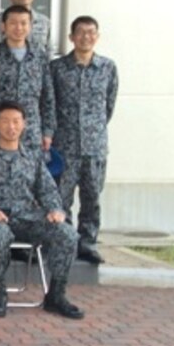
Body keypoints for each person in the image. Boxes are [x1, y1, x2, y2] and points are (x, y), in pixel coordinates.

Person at [0, 101, 84, 319]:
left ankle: (56, 295)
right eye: (5, 121)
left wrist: (55, 210)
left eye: (16, 121)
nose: (11, 127)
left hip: (28, 218)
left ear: (24, 124)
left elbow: (47, 190)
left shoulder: (32, 159)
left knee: (67, 234)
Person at [50, 15, 119, 265]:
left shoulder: (108, 68)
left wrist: (93, 130)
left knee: (92, 198)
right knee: (61, 198)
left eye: (91, 32)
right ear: (71, 37)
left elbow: (108, 107)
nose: (86, 37)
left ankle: (87, 243)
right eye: (81, 32)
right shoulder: (57, 69)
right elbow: (51, 105)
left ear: (97, 36)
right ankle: (66, 241)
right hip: (64, 146)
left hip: (94, 146)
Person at [0, 5, 55, 152]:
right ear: (3, 26)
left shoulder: (39, 57)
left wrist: (48, 131)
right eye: (13, 23)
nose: (18, 28)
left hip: (31, 129)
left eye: (24, 23)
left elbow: (48, 96)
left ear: (30, 26)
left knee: (31, 172)